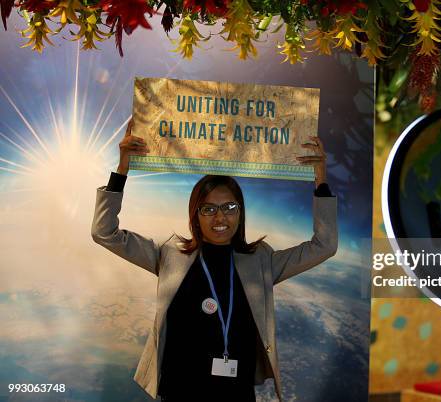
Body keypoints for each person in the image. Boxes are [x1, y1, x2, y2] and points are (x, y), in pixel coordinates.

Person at [91, 119, 337, 401]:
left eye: (230, 207)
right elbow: (104, 232)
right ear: (195, 214)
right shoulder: (170, 254)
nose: (220, 217)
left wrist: (321, 179)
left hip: (236, 394)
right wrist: (122, 170)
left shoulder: (260, 261)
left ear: (240, 212)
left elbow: (324, 245)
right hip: (179, 392)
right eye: (208, 209)